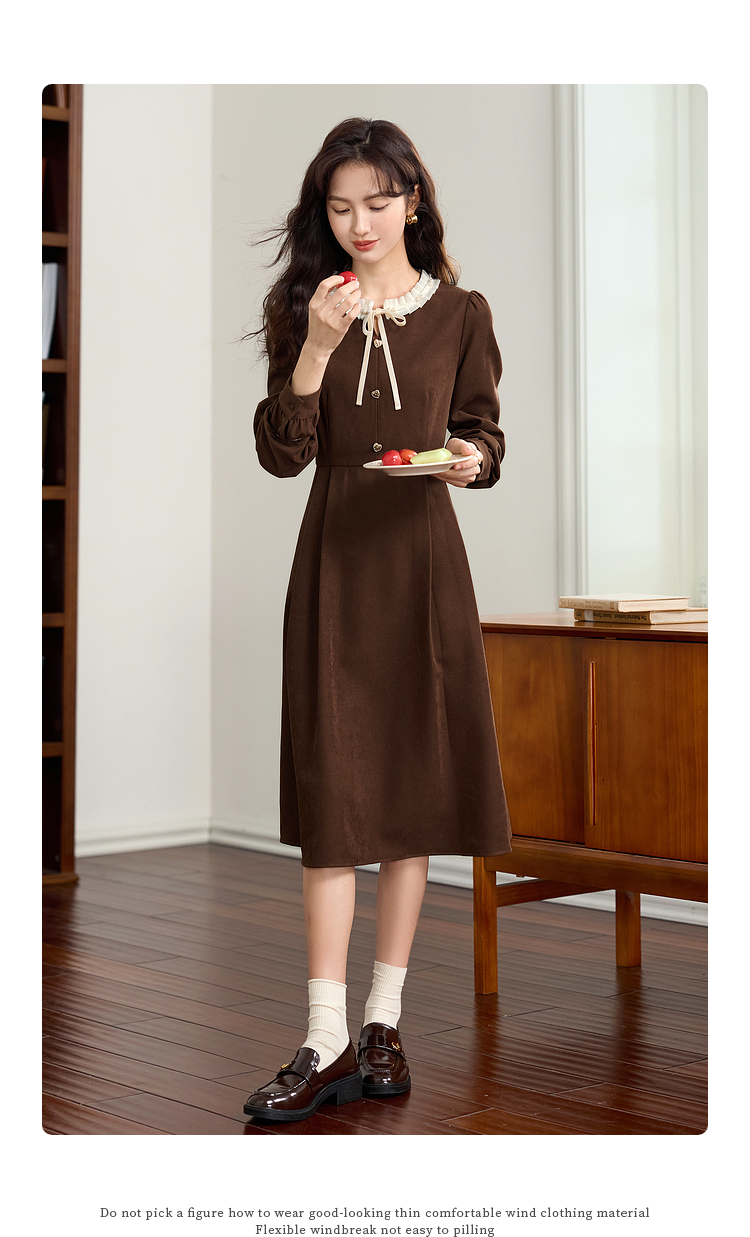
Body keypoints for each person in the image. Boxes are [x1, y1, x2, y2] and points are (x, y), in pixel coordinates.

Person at [244, 117, 512, 1124]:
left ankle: (382, 1022)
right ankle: (322, 1034)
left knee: (409, 794)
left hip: (425, 569)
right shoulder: (307, 307)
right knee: (333, 803)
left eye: (378, 202)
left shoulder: (463, 313)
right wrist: (317, 346)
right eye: (341, 206)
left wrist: (472, 458)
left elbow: (480, 431)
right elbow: (282, 452)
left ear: (412, 201)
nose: (360, 223)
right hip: (336, 564)